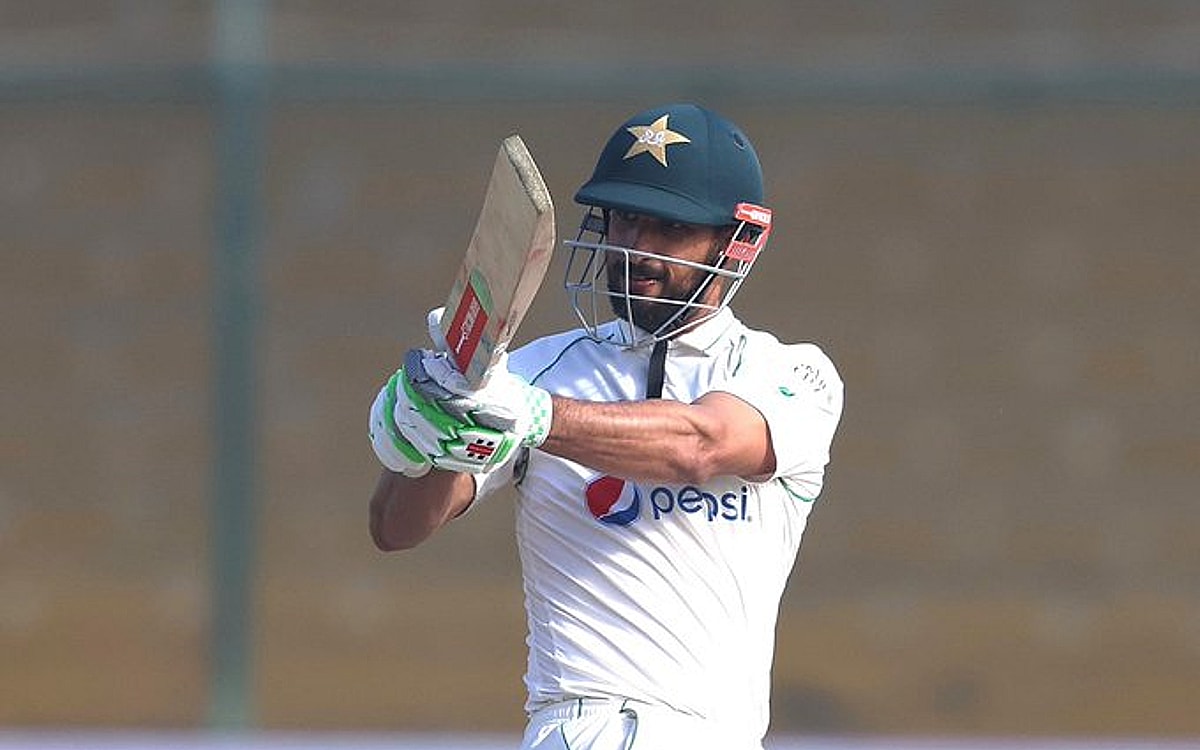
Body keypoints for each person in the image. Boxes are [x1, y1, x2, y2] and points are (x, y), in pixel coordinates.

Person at [367, 103, 844, 750]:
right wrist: (427, 436)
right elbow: (396, 528)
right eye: (625, 218)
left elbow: (701, 445)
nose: (637, 248)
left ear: (738, 240)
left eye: (670, 228)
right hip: (574, 728)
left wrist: (536, 417)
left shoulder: (791, 374)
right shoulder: (530, 373)